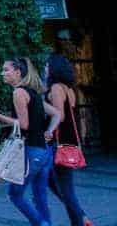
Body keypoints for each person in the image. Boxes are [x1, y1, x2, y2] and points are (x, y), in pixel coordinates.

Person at [0, 57, 61, 226]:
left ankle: (41, 224)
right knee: (40, 196)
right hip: (45, 152)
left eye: (6, 70)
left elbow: (24, 125)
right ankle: (46, 223)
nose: (3, 73)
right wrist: (49, 131)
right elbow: (57, 113)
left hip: (31, 151)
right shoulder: (33, 93)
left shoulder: (18, 92)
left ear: (18, 72)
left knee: (15, 194)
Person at [45, 54, 94, 226]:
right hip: (68, 140)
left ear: (53, 69)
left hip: (60, 142)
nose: (45, 69)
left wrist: (48, 129)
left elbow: (60, 115)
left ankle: (80, 219)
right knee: (54, 182)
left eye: (47, 65)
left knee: (65, 188)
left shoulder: (57, 88)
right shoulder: (68, 88)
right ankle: (80, 217)